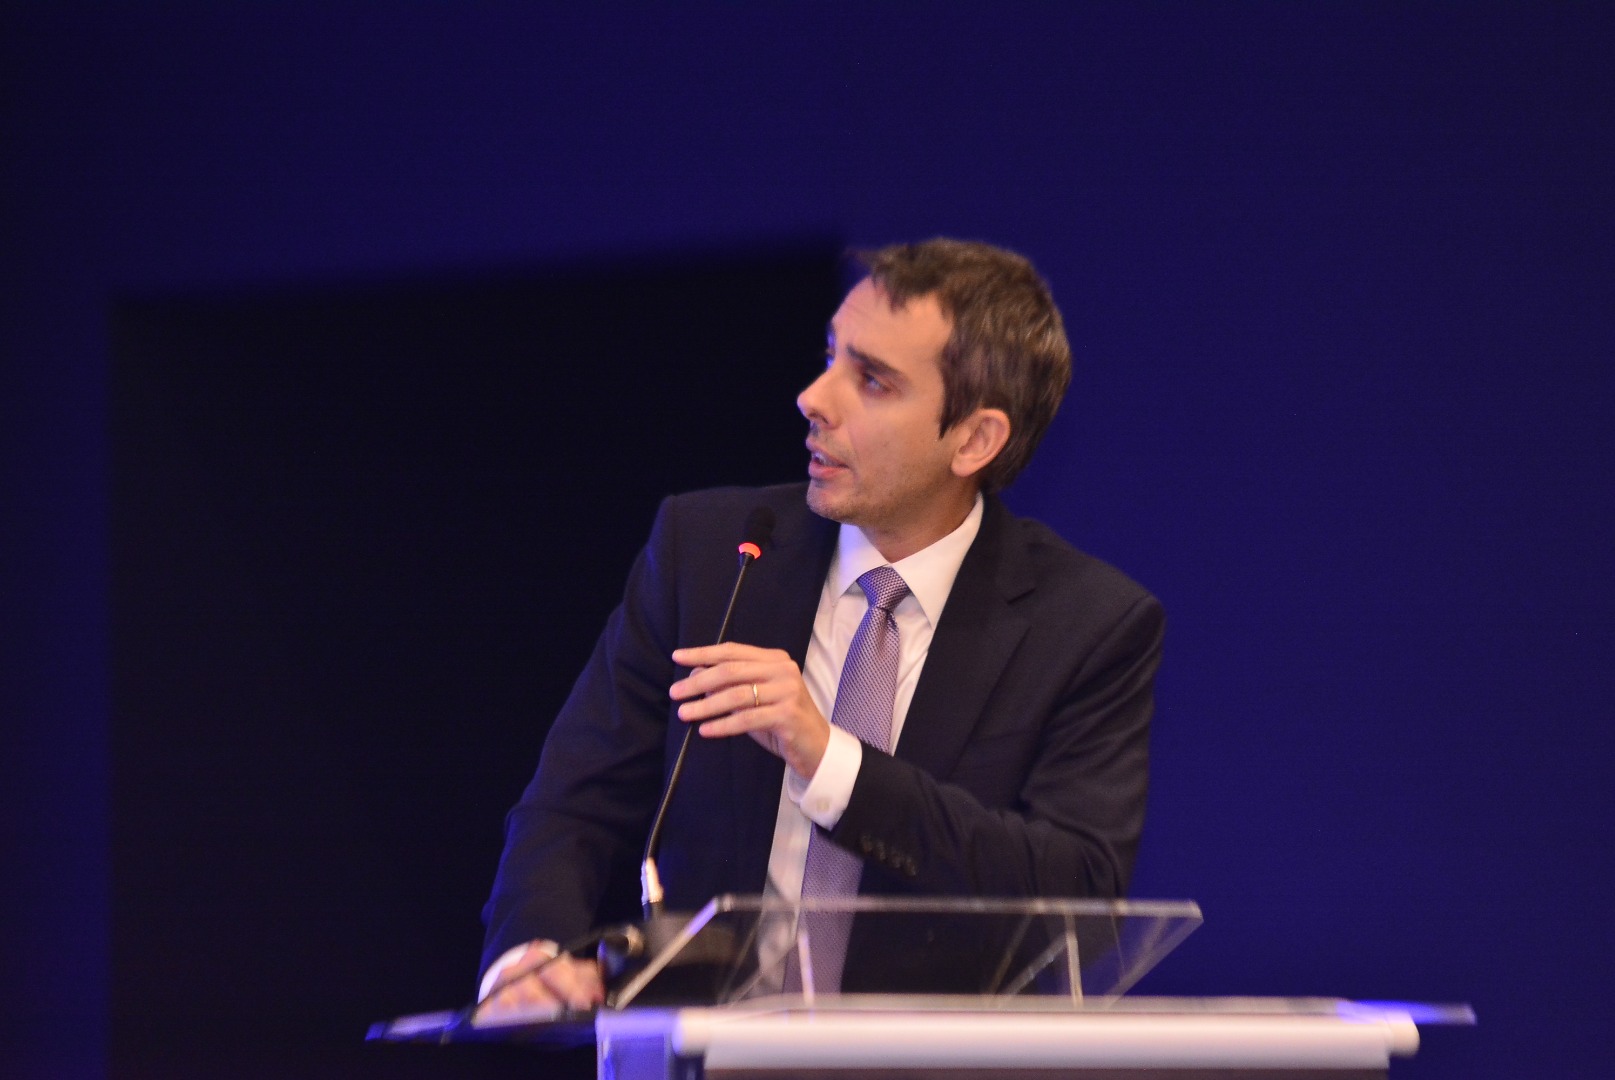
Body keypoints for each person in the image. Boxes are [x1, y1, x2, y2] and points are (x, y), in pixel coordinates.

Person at [477, 238, 1164, 1017]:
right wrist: (528, 957)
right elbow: (573, 802)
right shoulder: (710, 554)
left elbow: (1076, 899)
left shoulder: (1085, 626)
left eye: (871, 380)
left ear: (973, 440)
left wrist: (830, 760)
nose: (812, 397)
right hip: (707, 1054)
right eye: (830, 357)